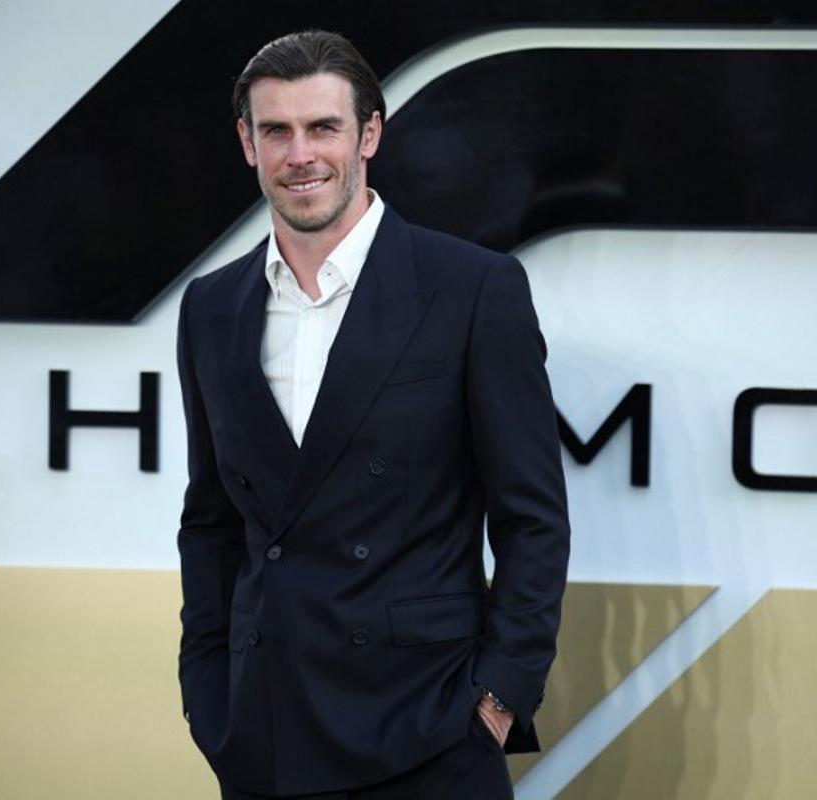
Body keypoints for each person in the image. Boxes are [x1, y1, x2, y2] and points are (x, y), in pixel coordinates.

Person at [175, 30, 570, 800]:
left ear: (370, 135)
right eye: (276, 131)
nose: (301, 155)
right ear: (247, 144)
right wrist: (208, 690)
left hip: (428, 725)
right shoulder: (211, 307)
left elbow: (532, 519)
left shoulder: (471, 289)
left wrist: (496, 699)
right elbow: (212, 520)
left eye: (323, 127)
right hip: (266, 728)